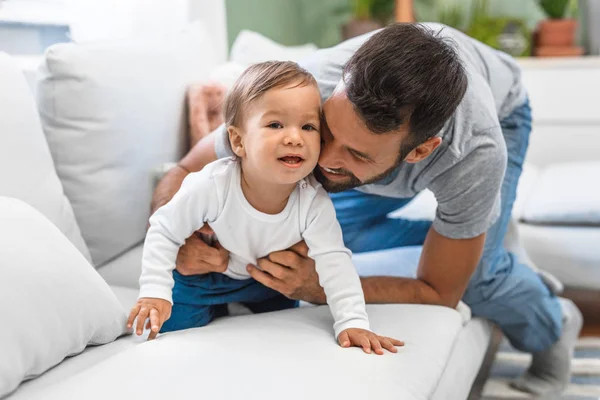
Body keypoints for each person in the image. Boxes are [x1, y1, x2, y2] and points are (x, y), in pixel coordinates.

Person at [154, 24, 582, 396]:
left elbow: (440, 292)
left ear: (421, 151)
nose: (322, 160)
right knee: (322, 234)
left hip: (502, 106)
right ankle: (473, 230)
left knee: (479, 278)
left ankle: (552, 320)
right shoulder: (306, 93)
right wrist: (181, 240)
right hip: (402, 119)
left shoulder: (473, 153)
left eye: (355, 153)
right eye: (326, 130)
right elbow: (184, 170)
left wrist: (319, 287)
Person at [127, 61, 403, 355]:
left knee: (280, 331)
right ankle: (214, 306)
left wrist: (353, 321)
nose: (294, 137)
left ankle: (236, 305)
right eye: (275, 125)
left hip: (265, 281)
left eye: (308, 127)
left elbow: (335, 262)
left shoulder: (313, 201)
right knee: (173, 329)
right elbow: (164, 229)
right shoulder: (211, 184)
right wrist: (154, 292)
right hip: (203, 277)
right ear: (238, 140)